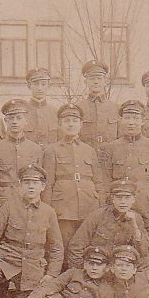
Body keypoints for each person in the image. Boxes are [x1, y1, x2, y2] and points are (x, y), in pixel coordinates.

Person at [0, 164, 63, 298]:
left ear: (42, 186)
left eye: (35, 182)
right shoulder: (9, 206)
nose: (31, 186)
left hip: (33, 267)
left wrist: (51, 274)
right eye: (26, 182)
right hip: (4, 262)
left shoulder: (49, 212)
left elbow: (57, 248)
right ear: (20, 186)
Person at [101, 100, 149, 244]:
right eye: (127, 118)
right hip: (119, 209)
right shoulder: (111, 148)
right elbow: (105, 183)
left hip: (148, 211)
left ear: (143, 121)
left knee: (147, 248)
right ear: (120, 120)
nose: (131, 122)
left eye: (135, 118)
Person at [43, 103, 106, 252]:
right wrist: (47, 211)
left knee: (87, 246)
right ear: (60, 124)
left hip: (89, 205)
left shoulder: (89, 150)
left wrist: (102, 208)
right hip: (63, 208)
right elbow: (48, 183)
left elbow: (98, 182)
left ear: (81, 124)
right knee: (65, 246)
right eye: (66, 121)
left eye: (74, 121)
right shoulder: (52, 150)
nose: (71, 124)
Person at [67, 178, 149, 272]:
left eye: (127, 198)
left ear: (133, 199)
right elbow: (76, 246)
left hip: (121, 268)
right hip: (98, 267)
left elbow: (144, 253)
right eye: (119, 198)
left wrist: (134, 227)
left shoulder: (137, 218)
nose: (123, 202)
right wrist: (83, 272)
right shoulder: (98, 216)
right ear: (112, 199)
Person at [0, 99, 44, 210]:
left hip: (29, 205)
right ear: (5, 121)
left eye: (19, 118)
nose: (14, 122)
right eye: (11, 118)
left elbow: (40, 182)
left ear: (26, 120)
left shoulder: (36, 150)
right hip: (4, 204)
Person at [77, 59, 121, 156]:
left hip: (110, 160)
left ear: (105, 81)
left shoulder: (116, 108)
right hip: (86, 159)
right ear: (86, 82)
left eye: (99, 78)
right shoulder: (78, 108)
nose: (96, 82)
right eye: (92, 79)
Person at [23, 68, 59, 148]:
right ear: (29, 86)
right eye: (35, 84)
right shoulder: (22, 112)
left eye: (43, 84)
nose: (39, 88)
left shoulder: (55, 113)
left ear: (49, 86)